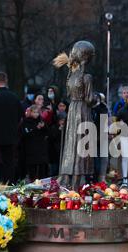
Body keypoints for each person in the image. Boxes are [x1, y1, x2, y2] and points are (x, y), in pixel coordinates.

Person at [53, 41, 96, 189]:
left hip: (72, 110)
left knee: (71, 144)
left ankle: (66, 177)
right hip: (83, 110)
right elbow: (90, 99)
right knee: (81, 144)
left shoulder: (71, 76)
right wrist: (98, 98)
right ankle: (78, 179)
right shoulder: (87, 77)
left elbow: (69, 94)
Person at [20, 105, 49, 182]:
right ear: (30, 112)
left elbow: (47, 133)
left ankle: (41, 184)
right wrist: (36, 128)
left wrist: (44, 127)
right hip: (31, 150)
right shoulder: (26, 122)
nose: (36, 114)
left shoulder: (41, 121)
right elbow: (25, 134)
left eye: (37, 112)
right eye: (34, 112)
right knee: (32, 171)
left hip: (41, 150)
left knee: (41, 171)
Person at [91, 93, 109, 183]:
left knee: (100, 160)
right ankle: (92, 178)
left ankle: (100, 178)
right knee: (94, 160)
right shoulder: (90, 108)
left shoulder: (103, 108)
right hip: (91, 138)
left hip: (100, 138)